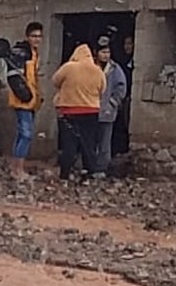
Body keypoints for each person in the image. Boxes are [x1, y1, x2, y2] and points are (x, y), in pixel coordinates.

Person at [51, 43, 106, 180]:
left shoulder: (69, 67)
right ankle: (88, 173)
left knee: (69, 143)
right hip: (91, 111)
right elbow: (103, 89)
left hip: (70, 110)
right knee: (88, 143)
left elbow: (55, 81)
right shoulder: (98, 70)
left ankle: (65, 173)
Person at [8, 22, 43, 177]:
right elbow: (14, 78)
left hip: (31, 100)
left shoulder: (34, 53)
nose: (37, 39)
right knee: (26, 134)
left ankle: (15, 168)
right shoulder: (21, 53)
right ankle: (18, 170)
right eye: (34, 36)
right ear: (27, 37)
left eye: (39, 36)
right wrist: (25, 95)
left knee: (22, 134)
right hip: (23, 100)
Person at [93, 36, 128, 177]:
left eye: (107, 52)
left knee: (104, 142)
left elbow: (121, 88)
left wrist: (112, 103)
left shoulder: (115, 69)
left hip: (107, 111)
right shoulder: (91, 67)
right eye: (103, 52)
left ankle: (101, 168)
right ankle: (89, 166)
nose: (105, 55)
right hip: (90, 109)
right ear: (96, 53)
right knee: (90, 140)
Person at [113, 33, 136, 155]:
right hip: (123, 98)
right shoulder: (121, 63)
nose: (127, 47)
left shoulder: (135, 63)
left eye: (130, 43)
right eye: (125, 44)